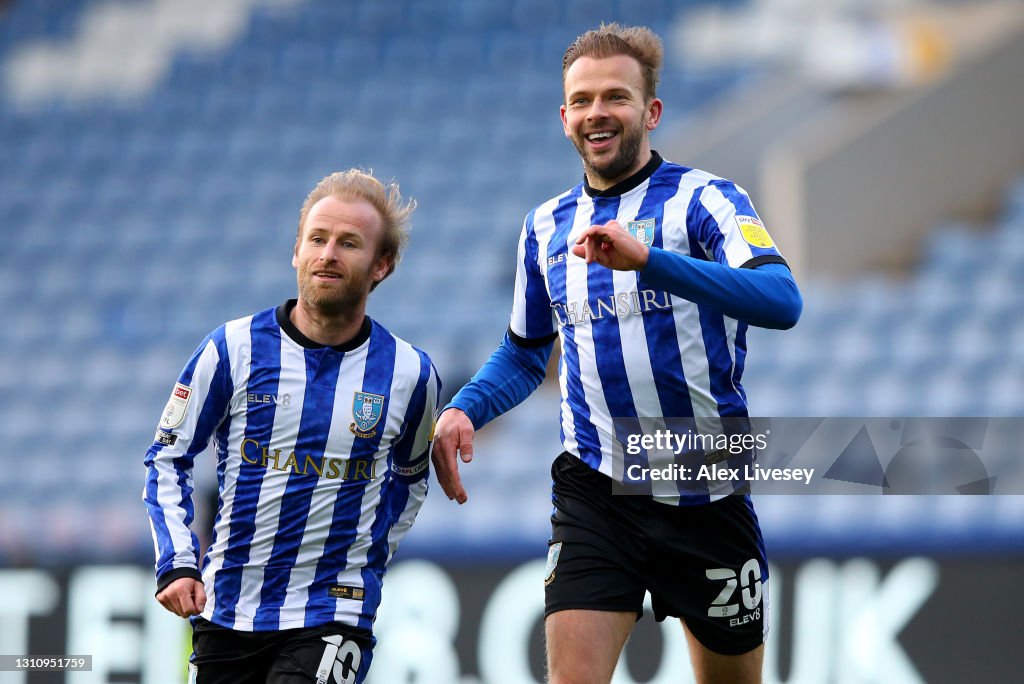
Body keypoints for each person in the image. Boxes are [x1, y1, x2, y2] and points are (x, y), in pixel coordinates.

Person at [431, 24, 802, 684]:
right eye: (581, 100)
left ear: (650, 112)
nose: (596, 112)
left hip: (708, 492)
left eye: (615, 97)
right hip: (598, 490)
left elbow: (782, 300)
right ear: (565, 116)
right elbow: (523, 353)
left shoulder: (706, 199)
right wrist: (465, 409)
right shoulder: (545, 226)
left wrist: (653, 263)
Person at [144, 169, 440, 684]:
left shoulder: (409, 375)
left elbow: (410, 480)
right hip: (228, 607)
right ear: (296, 251)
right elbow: (168, 457)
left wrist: (365, 557)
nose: (328, 254)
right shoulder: (230, 349)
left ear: (382, 265)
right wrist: (177, 560)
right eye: (317, 239)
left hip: (334, 611)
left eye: (349, 243)